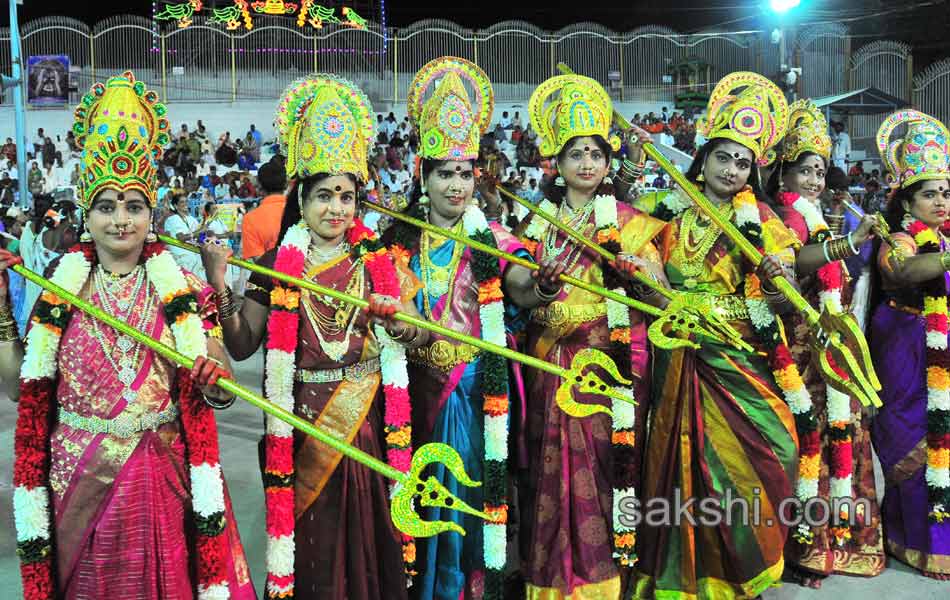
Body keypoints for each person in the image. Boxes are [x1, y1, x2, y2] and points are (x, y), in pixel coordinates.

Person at [1, 70, 254, 599]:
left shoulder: (180, 286)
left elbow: (219, 381)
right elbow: (17, 389)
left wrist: (214, 377)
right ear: (86, 215)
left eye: (134, 206)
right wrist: (1, 309)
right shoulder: (58, 293)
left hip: (162, 477)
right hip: (79, 477)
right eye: (107, 206)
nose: (121, 220)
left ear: (151, 214)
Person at [201, 74, 417, 599]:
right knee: (315, 552)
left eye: (346, 195)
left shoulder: (379, 262)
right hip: (300, 425)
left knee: (369, 546)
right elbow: (244, 344)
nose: (336, 209)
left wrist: (396, 320)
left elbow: (411, 328)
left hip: (365, 423)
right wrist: (219, 284)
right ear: (302, 198)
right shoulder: (277, 264)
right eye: (324, 195)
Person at [387, 57, 555, 600]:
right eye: (445, 173)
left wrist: (544, 286)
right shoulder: (397, 241)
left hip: (475, 393)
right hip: (413, 394)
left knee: (469, 495)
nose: (457, 185)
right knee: (419, 498)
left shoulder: (494, 237)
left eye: (465, 173)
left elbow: (521, 286)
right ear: (423, 176)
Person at [631, 72, 800, 599]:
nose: (731, 170)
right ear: (702, 158)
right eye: (723, 157)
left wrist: (778, 282)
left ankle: (740, 564)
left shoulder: (763, 222)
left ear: (754, 170)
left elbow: (782, 301)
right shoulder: (663, 214)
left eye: (742, 162)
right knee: (682, 464)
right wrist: (665, 296)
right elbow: (638, 268)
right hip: (680, 353)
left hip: (740, 356)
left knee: (778, 449)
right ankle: (683, 573)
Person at [519, 73, 667, 599]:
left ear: (609, 162)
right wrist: (537, 287)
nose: (587, 162)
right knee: (548, 475)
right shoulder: (534, 224)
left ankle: (606, 579)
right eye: (576, 153)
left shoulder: (629, 222)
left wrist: (639, 273)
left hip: (608, 372)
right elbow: (516, 294)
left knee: (607, 473)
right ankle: (552, 579)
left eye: (596, 153)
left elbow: (662, 301)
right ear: (556, 165)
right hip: (549, 365)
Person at [764, 99, 884, 587]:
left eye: (820, 170)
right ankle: (805, 547)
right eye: (805, 170)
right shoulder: (780, 217)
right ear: (782, 176)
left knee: (844, 433)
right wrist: (850, 243)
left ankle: (835, 540)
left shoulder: (813, 214)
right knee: (805, 441)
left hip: (827, 347)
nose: (814, 179)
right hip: (797, 349)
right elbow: (799, 264)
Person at [870, 109, 950, 581]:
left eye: (945, 191)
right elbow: (900, 271)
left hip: (943, 346)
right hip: (903, 345)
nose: (940, 200)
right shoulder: (898, 237)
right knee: (910, 441)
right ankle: (910, 541)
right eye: (929, 193)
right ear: (907, 200)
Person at [241, 156, 287, 260]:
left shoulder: (250, 219)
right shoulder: (303, 211)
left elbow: (260, 263)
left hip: (271, 274)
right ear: (285, 184)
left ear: (259, 186)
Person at [164, 192, 204, 277]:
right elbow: (181, 238)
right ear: (175, 206)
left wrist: (203, 237)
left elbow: (201, 234)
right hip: (181, 254)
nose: (185, 204)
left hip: (193, 252)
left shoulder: (191, 219)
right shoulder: (173, 219)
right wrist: (198, 233)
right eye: (182, 202)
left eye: (186, 201)